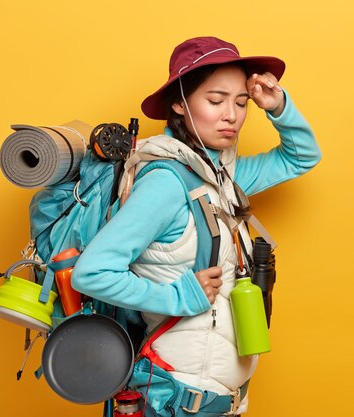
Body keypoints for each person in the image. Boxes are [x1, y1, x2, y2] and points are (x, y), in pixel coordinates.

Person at [72, 36, 321, 416]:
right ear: (179, 103)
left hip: (221, 400)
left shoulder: (222, 178)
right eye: (216, 100)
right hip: (178, 397)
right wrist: (179, 297)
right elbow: (91, 273)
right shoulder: (167, 183)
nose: (232, 115)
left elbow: (301, 158)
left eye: (241, 103)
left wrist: (278, 106)